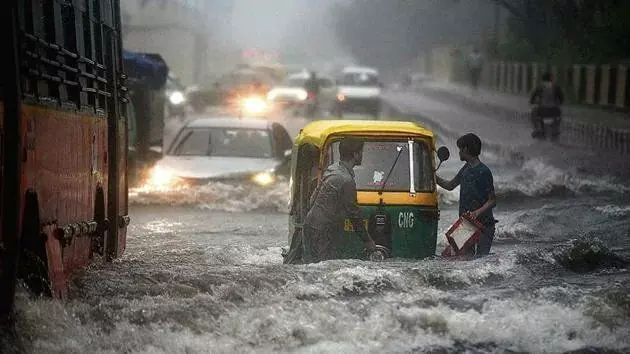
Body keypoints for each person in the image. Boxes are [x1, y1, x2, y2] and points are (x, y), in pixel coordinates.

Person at [302, 137, 377, 262]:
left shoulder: (332, 170)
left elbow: (312, 200)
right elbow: (354, 214)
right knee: (323, 269)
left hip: (309, 225)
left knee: (310, 268)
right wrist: (368, 241)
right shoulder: (346, 180)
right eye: (361, 152)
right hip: (322, 232)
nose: (362, 155)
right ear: (355, 154)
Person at [436, 133, 497, 256]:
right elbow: (450, 185)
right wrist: (433, 177)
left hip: (484, 226)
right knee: (448, 256)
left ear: (466, 149)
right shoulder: (466, 168)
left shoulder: (484, 171)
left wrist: (476, 212)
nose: (458, 152)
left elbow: (492, 200)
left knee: (480, 262)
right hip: (467, 224)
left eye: (460, 149)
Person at [529, 72, 564, 139]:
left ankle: (537, 128)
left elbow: (532, 98)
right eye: (553, 77)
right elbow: (562, 99)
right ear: (551, 78)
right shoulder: (556, 86)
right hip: (554, 111)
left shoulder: (539, 86)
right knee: (558, 115)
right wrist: (557, 103)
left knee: (533, 112)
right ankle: (556, 129)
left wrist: (535, 102)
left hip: (542, 111)